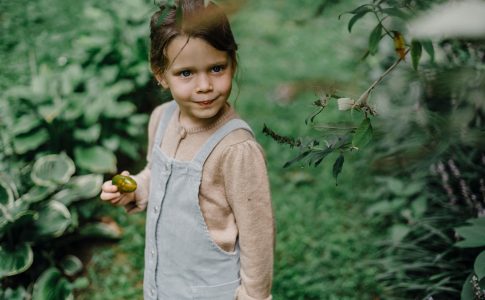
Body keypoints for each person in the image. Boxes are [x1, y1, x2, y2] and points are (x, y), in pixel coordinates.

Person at [99, 1, 274, 299]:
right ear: (160, 74)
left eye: (216, 68)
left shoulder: (236, 150)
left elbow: (257, 235)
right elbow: (158, 173)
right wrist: (137, 189)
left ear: (232, 63)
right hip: (164, 284)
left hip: (211, 291)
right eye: (186, 73)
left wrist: (254, 295)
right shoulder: (162, 118)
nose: (204, 85)